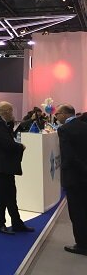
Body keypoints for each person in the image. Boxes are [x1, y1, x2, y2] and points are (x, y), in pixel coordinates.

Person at [0, 101, 33, 235]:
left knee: (10, 194)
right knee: (1, 196)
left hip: (2, 166)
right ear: (7, 111)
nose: (12, 114)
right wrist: (21, 147)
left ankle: (16, 222)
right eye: (11, 111)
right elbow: (8, 144)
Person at [56, 104, 87, 256]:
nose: (56, 117)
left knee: (76, 211)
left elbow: (68, 156)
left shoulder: (64, 130)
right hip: (84, 175)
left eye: (58, 114)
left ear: (65, 114)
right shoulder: (84, 126)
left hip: (74, 177)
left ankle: (82, 245)